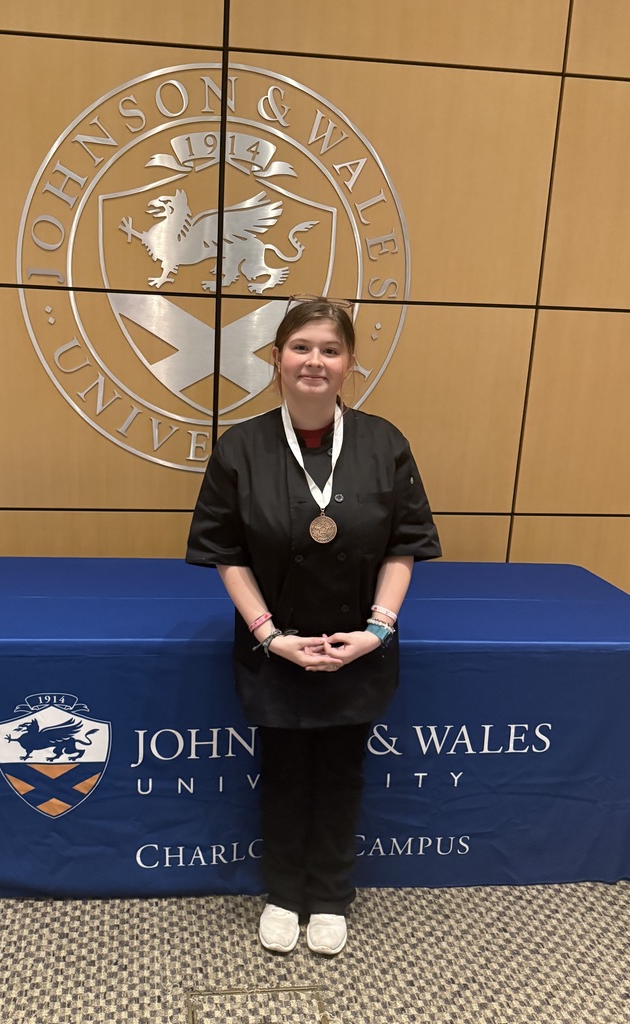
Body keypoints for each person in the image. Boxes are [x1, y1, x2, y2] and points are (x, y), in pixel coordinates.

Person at [185, 297, 441, 955]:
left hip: (360, 645)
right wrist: (271, 636)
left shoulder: (384, 442)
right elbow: (227, 553)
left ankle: (329, 895)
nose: (314, 362)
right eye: (301, 348)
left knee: (343, 774)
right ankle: (283, 892)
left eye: (330, 350)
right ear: (276, 359)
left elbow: (403, 546)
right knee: (285, 772)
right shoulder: (241, 448)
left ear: (350, 363)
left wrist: (377, 631)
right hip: (277, 645)